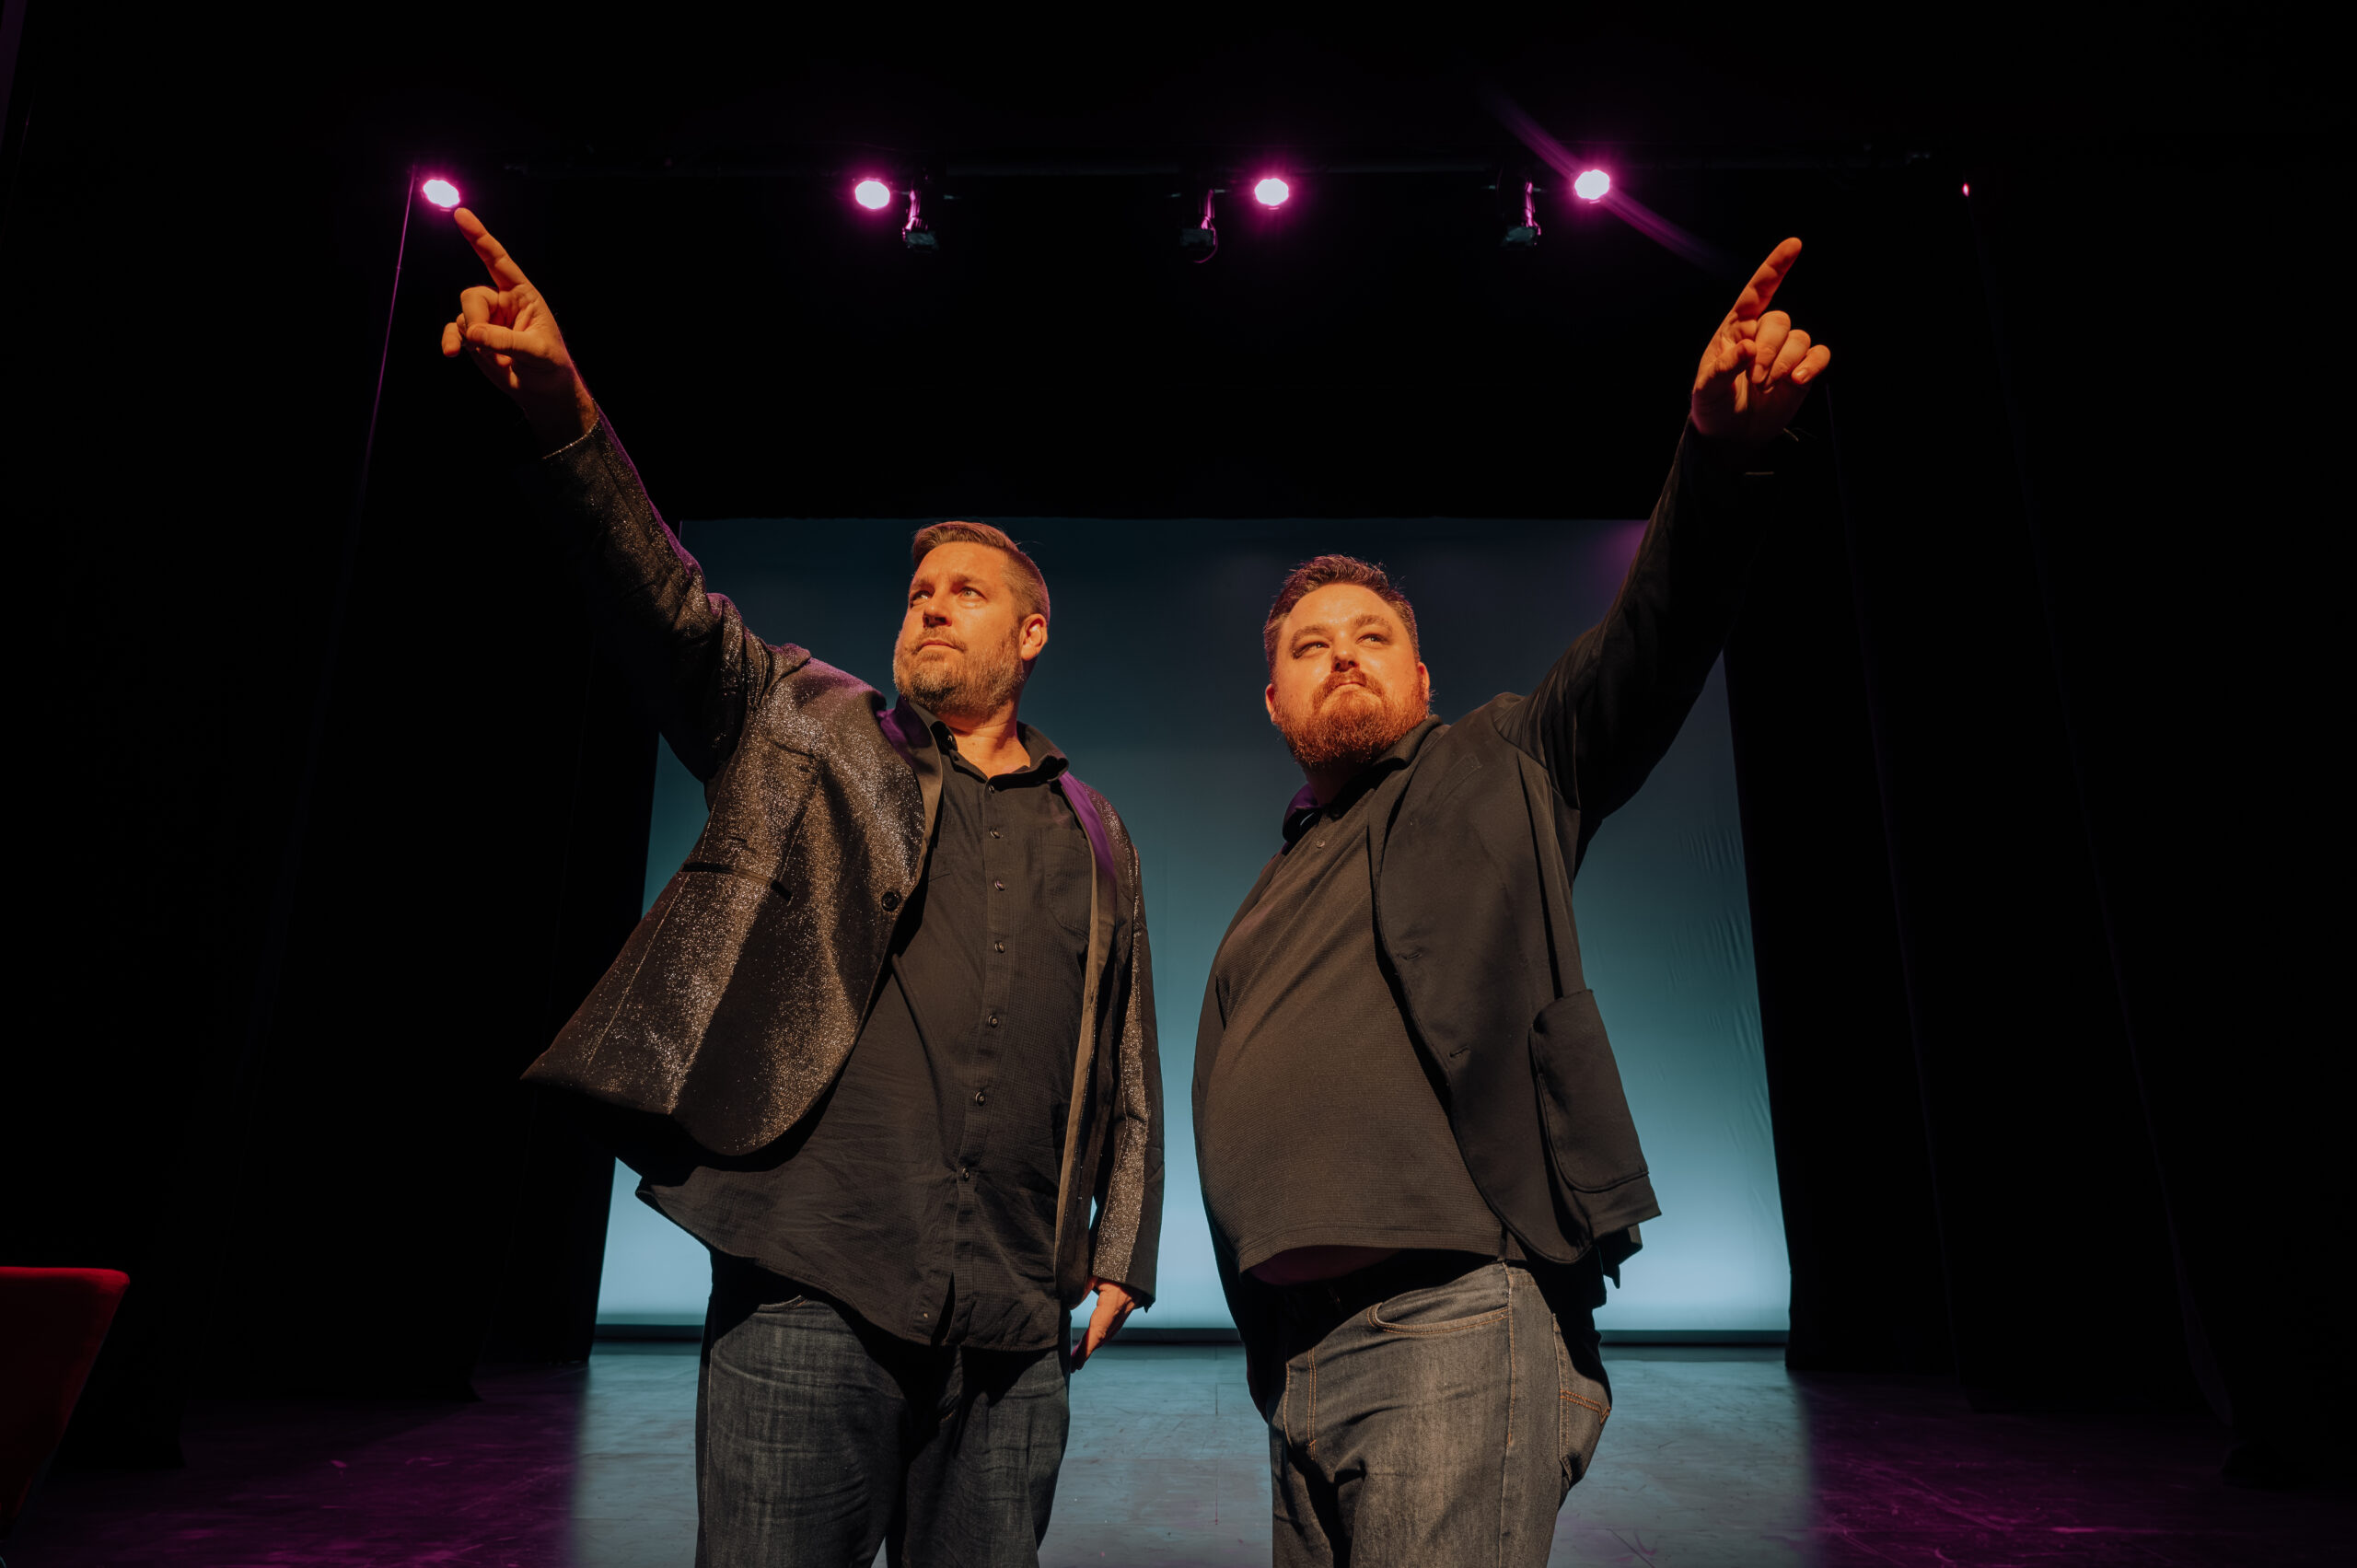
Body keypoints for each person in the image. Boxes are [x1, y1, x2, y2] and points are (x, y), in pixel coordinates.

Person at [439, 208, 1162, 1568]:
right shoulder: (805, 717)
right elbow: (664, 606)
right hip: (807, 1283)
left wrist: (1122, 1245)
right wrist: (566, 415)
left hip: (1014, 1323)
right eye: (920, 589)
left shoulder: (1094, 825)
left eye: (965, 591)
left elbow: (1123, 1049)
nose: (930, 604)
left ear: (1032, 630)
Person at [1193, 238, 1829, 1566]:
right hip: (1297, 1361)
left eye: (1372, 637)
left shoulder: (1506, 759)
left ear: (1423, 681)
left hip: (1454, 1328)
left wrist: (1717, 460)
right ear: (1274, 703)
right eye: (1311, 647)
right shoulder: (1269, 892)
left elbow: (1653, 640)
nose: (1342, 658)